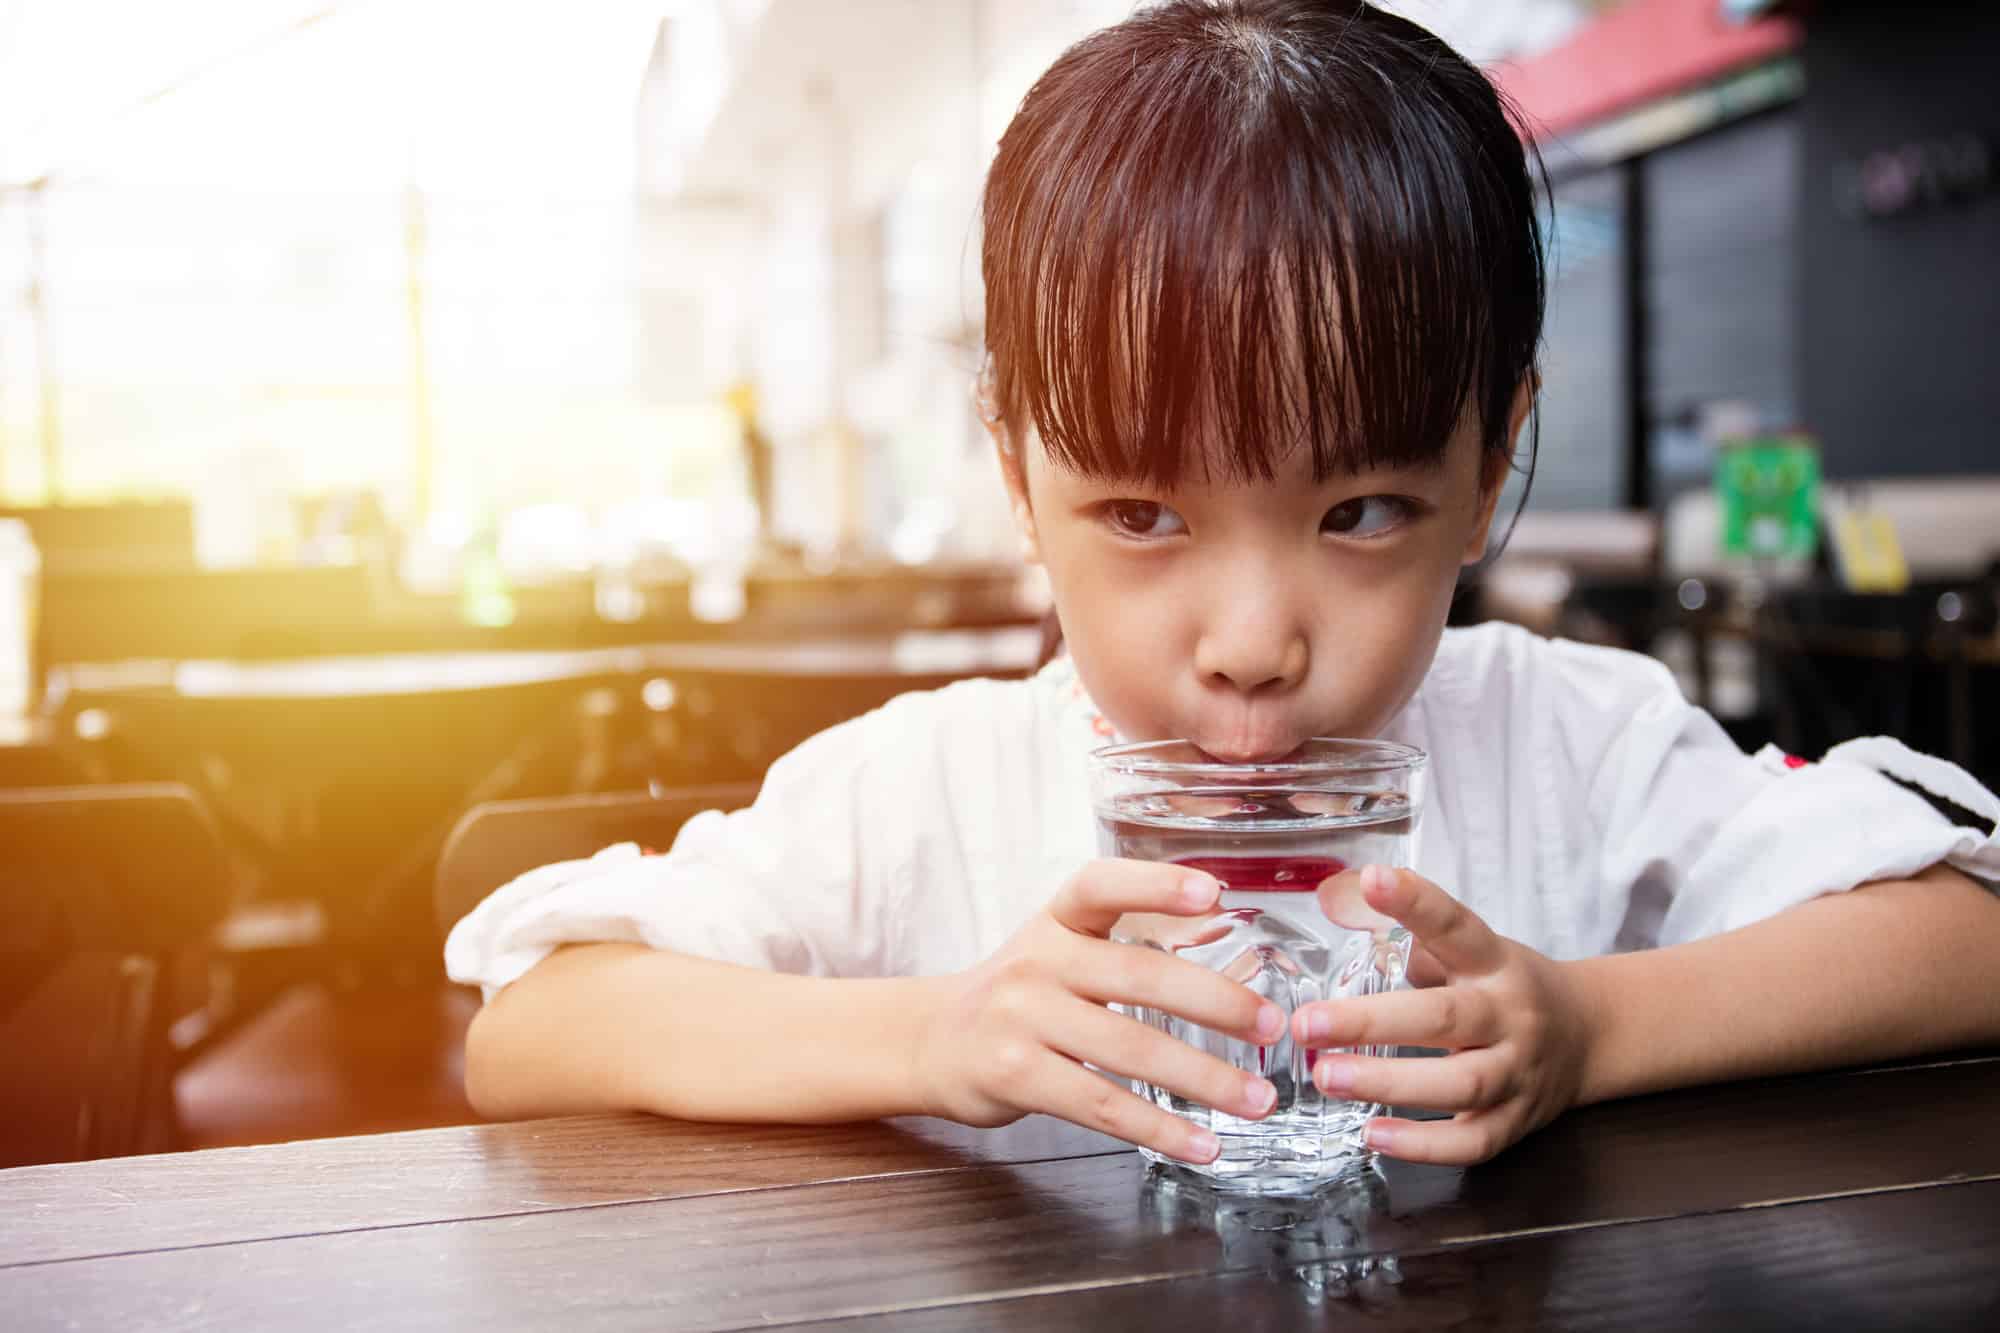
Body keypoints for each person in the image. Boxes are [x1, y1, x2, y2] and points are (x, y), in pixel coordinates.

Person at [446, 0, 2000, 1169]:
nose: (1253, 643)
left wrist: (1590, 1026)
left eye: (1363, 506)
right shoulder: (932, 790)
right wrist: (930, 1030)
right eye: (1140, 510)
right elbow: (536, 1025)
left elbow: (1965, 930)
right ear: (1017, 481)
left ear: (1490, 465)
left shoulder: (1565, 741)